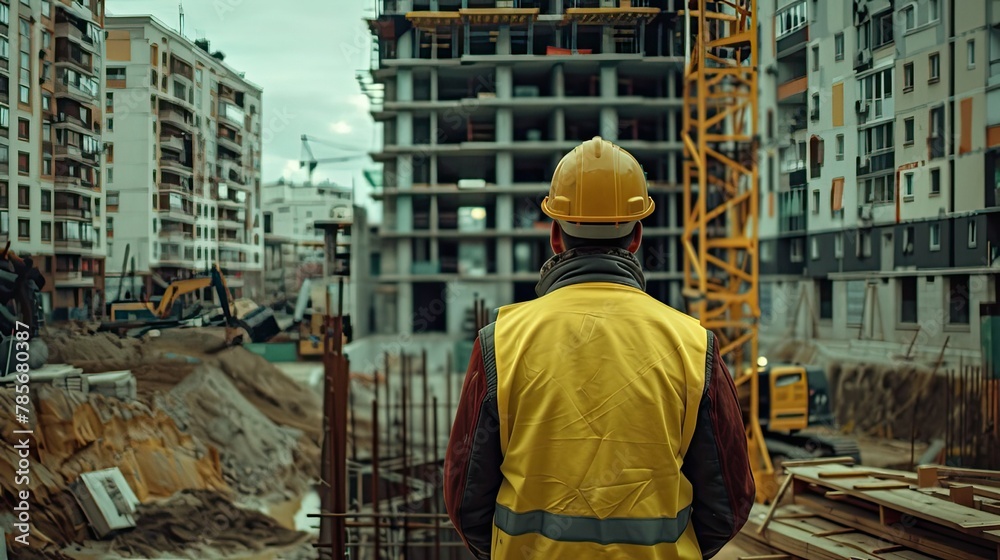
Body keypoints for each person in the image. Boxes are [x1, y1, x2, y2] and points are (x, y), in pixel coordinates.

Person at [444, 137, 755, 559]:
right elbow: (730, 502)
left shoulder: (499, 341)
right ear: (636, 237)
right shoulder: (694, 344)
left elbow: (465, 499)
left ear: (555, 235)